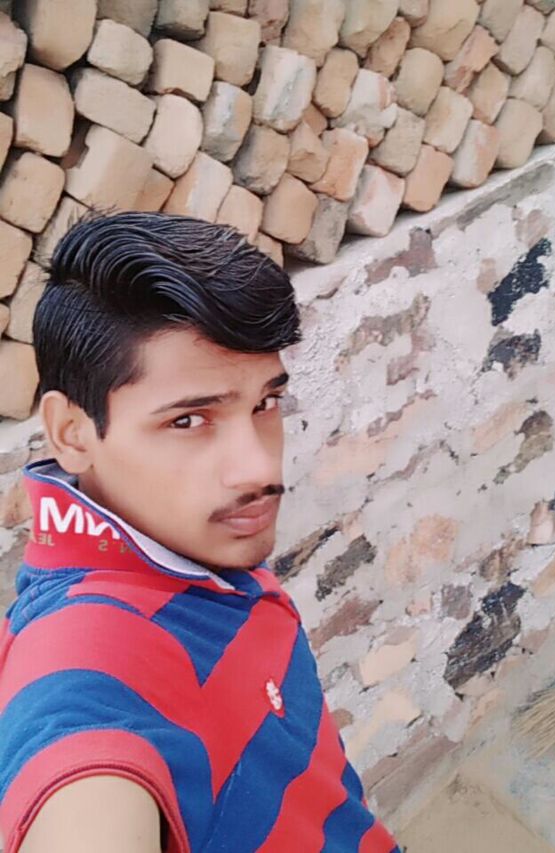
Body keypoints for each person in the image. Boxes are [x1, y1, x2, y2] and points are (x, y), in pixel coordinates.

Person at [0, 213, 400, 853]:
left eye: (265, 404)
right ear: (72, 434)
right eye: (188, 421)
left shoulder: (189, 553)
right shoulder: (83, 670)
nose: (259, 469)